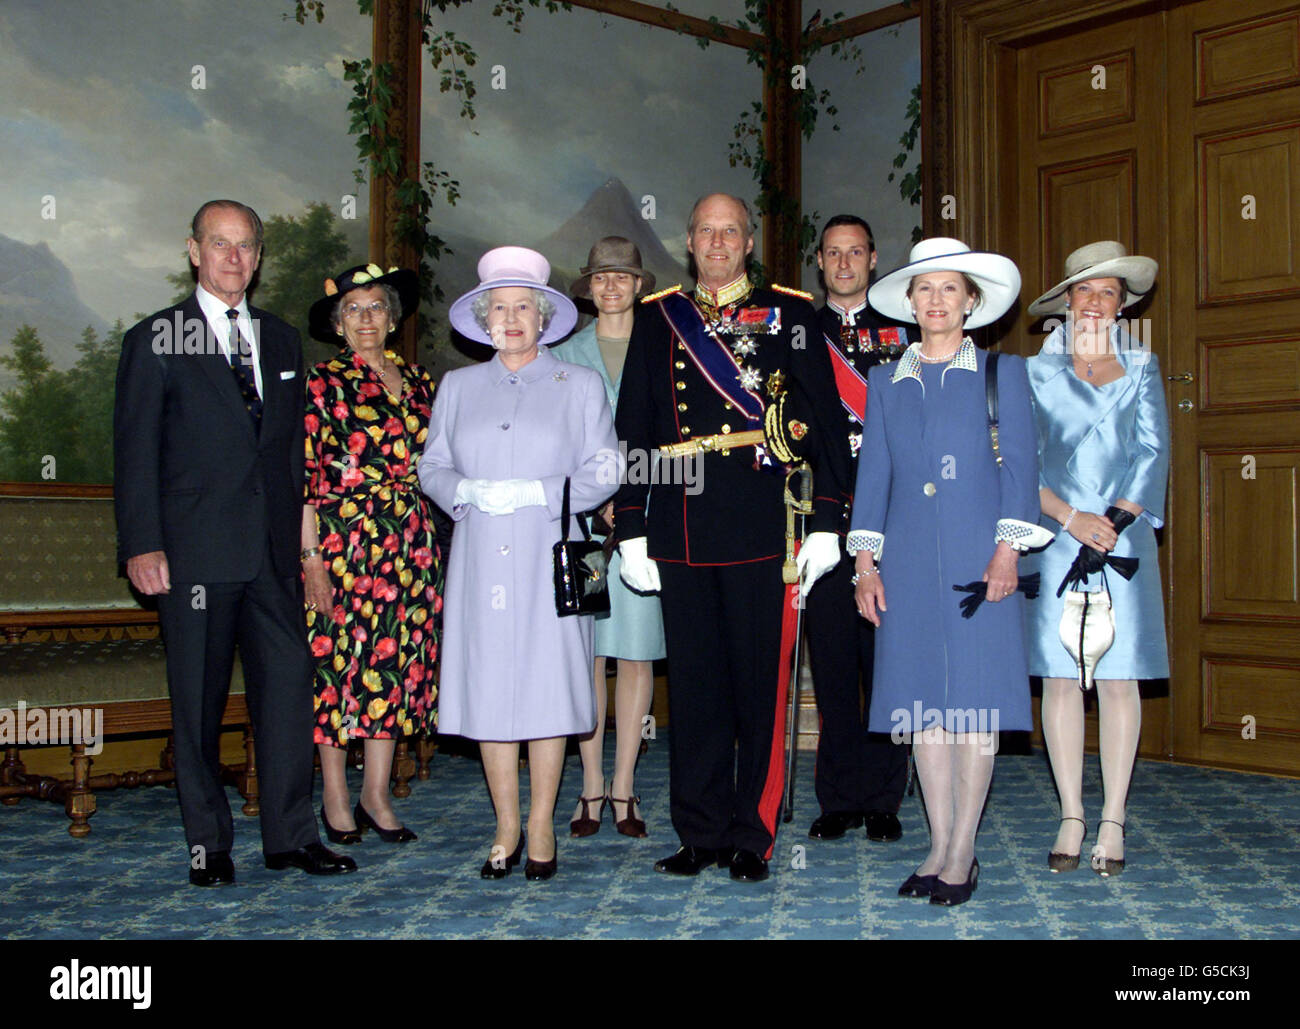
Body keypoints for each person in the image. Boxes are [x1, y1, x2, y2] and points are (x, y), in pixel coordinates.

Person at [113, 199, 355, 885]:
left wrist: (308, 555)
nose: (234, 258)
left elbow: (291, 455)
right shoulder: (156, 338)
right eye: (220, 244)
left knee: (288, 697)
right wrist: (143, 543)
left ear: (259, 254)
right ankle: (207, 846)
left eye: (247, 245)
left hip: (273, 556)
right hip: (191, 556)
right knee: (197, 702)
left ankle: (288, 836)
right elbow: (134, 453)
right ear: (193, 250)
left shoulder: (279, 339)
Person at [614, 193, 847, 883]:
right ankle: (700, 830)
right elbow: (636, 425)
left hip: (766, 526)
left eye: (731, 231)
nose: (718, 243)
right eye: (706, 232)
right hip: (681, 526)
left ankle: (753, 833)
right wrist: (631, 525)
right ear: (689, 241)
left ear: (749, 240)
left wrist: (829, 519)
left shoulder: (793, 313)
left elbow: (825, 421)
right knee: (694, 691)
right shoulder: (658, 318)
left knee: (760, 692)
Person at [850, 237, 1050, 906]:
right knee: (921, 711)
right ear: (909, 302)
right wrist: (865, 563)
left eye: (949, 288)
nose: (936, 300)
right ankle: (936, 842)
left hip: (979, 560)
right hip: (903, 563)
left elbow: (1021, 469)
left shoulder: (1003, 373)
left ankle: (963, 849)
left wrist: (1007, 550)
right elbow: (873, 474)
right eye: (924, 289)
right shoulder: (885, 381)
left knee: (974, 708)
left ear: (970, 300)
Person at [418, 246, 618, 881]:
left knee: (546, 686)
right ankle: (505, 822)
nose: (510, 318)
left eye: (522, 308)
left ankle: (540, 824)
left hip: (552, 553)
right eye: (498, 308)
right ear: (482, 319)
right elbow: (432, 465)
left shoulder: (579, 385)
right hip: (480, 559)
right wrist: (463, 492)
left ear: (543, 319)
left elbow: (608, 467)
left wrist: (544, 492)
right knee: (489, 688)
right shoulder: (457, 386)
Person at [1023, 241, 1169, 877]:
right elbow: (1017, 465)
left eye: (1109, 292)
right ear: (1066, 302)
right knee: (1059, 678)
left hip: (1122, 540)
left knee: (1117, 678)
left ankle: (1112, 818)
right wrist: (1069, 518)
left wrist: (1111, 521)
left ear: (1121, 305)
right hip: (1055, 537)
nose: (1096, 302)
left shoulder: (1141, 366)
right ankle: (1071, 816)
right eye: (1085, 291)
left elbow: (1153, 451)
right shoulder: (1033, 373)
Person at [301, 263, 442, 846]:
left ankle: (376, 793)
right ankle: (335, 794)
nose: (366, 318)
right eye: (353, 310)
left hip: (410, 542)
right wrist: (310, 559)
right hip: (342, 543)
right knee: (338, 666)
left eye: (376, 307)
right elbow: (304, 480)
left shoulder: (421, 381)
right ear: (337, 324)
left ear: (394, 317)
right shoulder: (320, 383)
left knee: (399, 664)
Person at [551, 238, 665, 838]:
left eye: (623, 275)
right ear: (588, 287)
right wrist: (595, 506)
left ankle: (625, 788)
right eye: (601, 277)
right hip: (583, 523)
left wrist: (634, 507)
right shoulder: (562, 353)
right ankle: (590, 784)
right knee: (588, 652)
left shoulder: (664, 343)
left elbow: (670, 438)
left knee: (637, 651)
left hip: (646, 521)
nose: (612, 286)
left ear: (640, 283)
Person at [805, 214, 911, 844]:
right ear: (819, 262)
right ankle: (837, 798)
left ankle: (884, 797)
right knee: (836, 662)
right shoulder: (799, 332)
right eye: (832, 253)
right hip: (821, 515)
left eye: (855, 253)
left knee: (887, 663)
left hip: (893, 516)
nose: (844, 263)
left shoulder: (902, 330)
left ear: (874, 259)